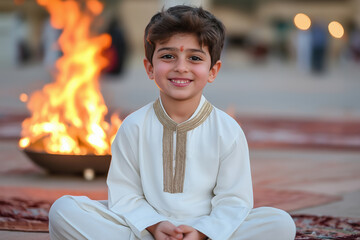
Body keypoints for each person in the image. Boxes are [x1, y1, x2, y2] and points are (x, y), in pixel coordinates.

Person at [49, 5, 296, 240]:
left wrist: (200, 231)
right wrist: (155, 225)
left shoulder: (227, 130)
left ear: (213, 70)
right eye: (168, 56)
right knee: (63, 210)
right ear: (149, 67)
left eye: (195, 58)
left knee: (279, 224)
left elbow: (234, 201)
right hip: (143, 230)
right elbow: (124, 195)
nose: (181, 68)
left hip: (206, 231)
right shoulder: (134, 126)